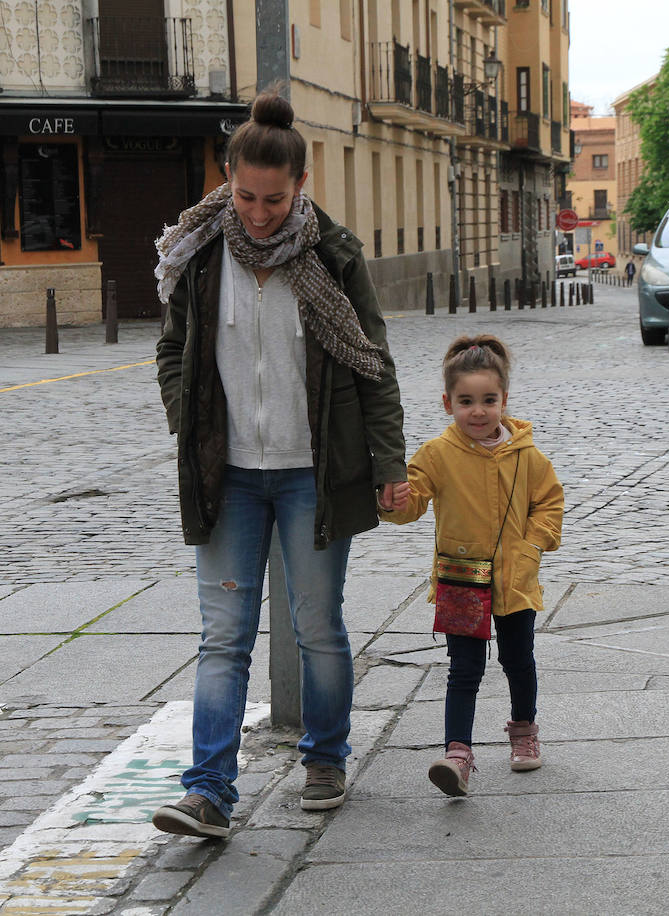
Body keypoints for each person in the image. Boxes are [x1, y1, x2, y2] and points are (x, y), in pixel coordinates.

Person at [150, 88, 409, 839]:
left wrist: (388, 462)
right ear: (228, 177)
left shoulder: (333, 255)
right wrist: (187, 420)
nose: (259, 213)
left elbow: (373, 365)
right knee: (223, 635)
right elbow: (174, 352)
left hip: (312, 475)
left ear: (301, 186)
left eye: (274, 197)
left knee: (316, 625)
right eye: (247, 196)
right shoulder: (199, 257)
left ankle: (325, 758)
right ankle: (207, 792)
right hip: (225, 475)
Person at [380, 335, 563, 796]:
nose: (477, 411)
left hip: (515, 580)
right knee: (463, 669)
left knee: (518, 659)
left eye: (487, 400)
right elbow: (413, 500)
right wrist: (394, 500)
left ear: (504, 400)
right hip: (461, 581)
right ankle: (457, 755)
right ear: (448, 403)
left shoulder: (527, 455)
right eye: (466, 401)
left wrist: (531, 546)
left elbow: (549, 504)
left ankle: (524, 731)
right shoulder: (437, 455)